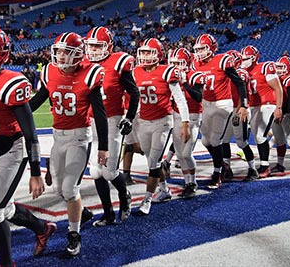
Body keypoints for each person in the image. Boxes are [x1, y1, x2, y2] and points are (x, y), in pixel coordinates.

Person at [0, 25, 56, 267]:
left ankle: (6, 263)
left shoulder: (11, 82)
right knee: (3, 209)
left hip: (13, 152)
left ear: (1, 54)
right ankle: (43, 228)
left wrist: (35, 172)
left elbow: (31, 132)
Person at [29, 32, 109, 256]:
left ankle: (74, 236)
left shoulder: (90, 74)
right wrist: (16, 115)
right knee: (58, 188)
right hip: (57, 137)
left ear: (78, 54)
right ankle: (81, 213)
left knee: (69, 189)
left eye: (67, 52)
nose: (61, 56)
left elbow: (100, 114)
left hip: (79, 137)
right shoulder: (49, 72)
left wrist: (104, 146)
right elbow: (37, 100)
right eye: (59, 51)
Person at [84, 26, 139, 225]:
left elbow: (134, 93)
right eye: (91, 46)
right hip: (90, 122)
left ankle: (124, 196)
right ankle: (108, 213)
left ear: (109, 46)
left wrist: (129, 117)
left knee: (109, 171)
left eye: (98, 46)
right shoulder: (84, 64)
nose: (93, 50)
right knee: (96, 172)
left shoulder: (118, 63)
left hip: (113, 120)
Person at [133, 38, 191, 215]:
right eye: (142, 52)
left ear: (158, 54)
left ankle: (147, 200)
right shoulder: (136, 72)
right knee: (151, 159)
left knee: (154, 162)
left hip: (162, 122)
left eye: (148, 52)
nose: (144, 56)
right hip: (143, 121)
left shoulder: (167, 71)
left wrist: (185, 124)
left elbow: (180, 99)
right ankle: (164, 189)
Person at [192, 34, 248, 189]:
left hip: (222, 104)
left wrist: (243, 105)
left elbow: (239, 83)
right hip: (205, 103)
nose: (200, 52)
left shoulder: (222, 60)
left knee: (216, 140)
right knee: (205, 140)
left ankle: (217, 174)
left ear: (212, 48)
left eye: (203, 48)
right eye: (198, 49)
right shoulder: (195, 63)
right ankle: (222, 164)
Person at [240, 45, 283, 178]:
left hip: (267, 104)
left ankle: (265, 166)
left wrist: (279, 107)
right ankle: (263, 164)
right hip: (253, 106)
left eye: (247, 58)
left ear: (254, 58)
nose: (245, 60)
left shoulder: (265, 67)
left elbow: (278, 88)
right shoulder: (244, 71)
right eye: (244, 58)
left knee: (260, 136)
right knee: (257, 136)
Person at [168, 48, 205, 198]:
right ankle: (187, 182)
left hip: (193, 117)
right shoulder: (170, 76)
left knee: (186, 153)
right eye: (173, 63)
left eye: (178, 63)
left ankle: (193, 182)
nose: (175, 66)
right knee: (180, 153)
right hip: (176, 116)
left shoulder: (196, 75)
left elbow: (198, 97)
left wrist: (185, 83)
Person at [221, 50, 259, 181]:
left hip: (237, 109)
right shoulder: (224, 72)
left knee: (241, 142)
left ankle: (252, 169)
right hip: (226, 109)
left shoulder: (241, 73)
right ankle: (227, 169)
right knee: (224, 140)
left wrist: (240, 109)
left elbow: (242, 92)